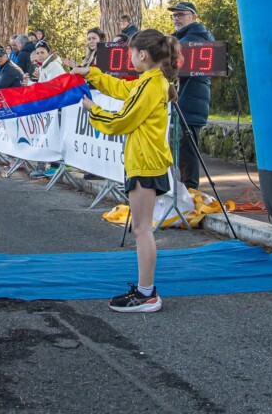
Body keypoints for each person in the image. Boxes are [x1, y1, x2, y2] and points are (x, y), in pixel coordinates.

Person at [70, 29, 179, 313]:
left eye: (130, 52)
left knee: (142, 229)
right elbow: (121, 89)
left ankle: (147, 294)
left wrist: (93, 109)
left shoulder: (151, 84)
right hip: (147, 160)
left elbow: (122, 121)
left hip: (145, 163)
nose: (129, 57)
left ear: (142, 54)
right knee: (142, 229)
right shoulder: (151, 81)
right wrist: (91, 74)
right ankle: (145, 290)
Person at [169, 2, 213, 190]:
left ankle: (191, 191)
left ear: (193, 17)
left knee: (187, 152)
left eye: (181, 14)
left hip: (190, 104)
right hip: (185, 102)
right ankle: (185, 190)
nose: (176, 18)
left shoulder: (193, 39)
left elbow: (175, 70)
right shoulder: (182, 38)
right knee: (183, 151)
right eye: (174, 15)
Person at [28, 40, 66, 178]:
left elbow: (51, 88)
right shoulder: (44, 66)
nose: (39, 55)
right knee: (46, 136)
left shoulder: (53, 66)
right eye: (37, 53)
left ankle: (54, 166)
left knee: (52, 136)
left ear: (48, 53)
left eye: (42, 52)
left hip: (56, 107)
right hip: (48, 107)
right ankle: (44, 165)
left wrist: (31, 84)